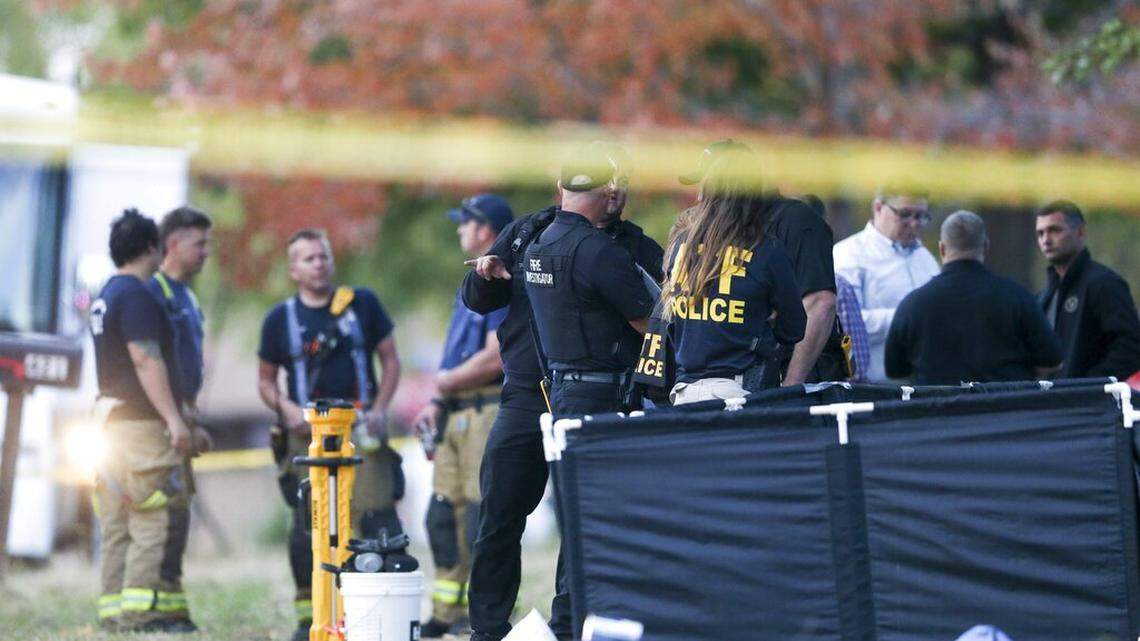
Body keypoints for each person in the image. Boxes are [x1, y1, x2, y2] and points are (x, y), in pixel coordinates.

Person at [461, 142, 663, 641]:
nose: (614, 195)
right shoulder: (531, 232)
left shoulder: (634, 248)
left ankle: (567, 626)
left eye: (620, 186)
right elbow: (474, 298)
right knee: (500, 513)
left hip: (599, 397)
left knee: (580, 522)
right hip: (528, 393)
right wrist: (488, 276)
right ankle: (487, 629)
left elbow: (657, 322)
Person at [256, 228, 403, 641]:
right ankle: (311, 617)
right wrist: (285, 410)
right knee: (310, 524)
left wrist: (379, 409)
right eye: (308, 259)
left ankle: (378, 608)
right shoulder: (279, 319)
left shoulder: (363, 305)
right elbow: (265, 380)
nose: (319, 264)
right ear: (293, 270)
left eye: (323, 256)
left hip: (361, 432)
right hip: (309, 437)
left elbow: (390, 361)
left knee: (377, 517)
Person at [89, 209, 210, 633]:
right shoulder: (138, 296)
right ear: (152, 248)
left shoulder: (106, 295)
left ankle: (113, 613)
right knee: (151, 517)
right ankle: (141, 614)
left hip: (111, 425)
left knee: (117, 522)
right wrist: (174, 420)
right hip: (141, 427)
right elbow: (145, 358)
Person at [412, 194, 512, 639]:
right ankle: (445, 611)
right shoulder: (469, 282)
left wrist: (446, 384)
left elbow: (497, 357)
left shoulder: (500, 281)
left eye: (465, 224)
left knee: (477, 517)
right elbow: (456, 359)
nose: (459, 231)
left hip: (485, 410)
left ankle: (480, 612)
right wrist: (437, 401)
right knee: (440, 517)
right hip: (454, 414)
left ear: (486, 230)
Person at [678, 140, 845, 384]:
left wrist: (791, 384)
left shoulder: (796, 221)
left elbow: (820, 304)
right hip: (745, 379)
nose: (701, 195)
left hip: (798, 377)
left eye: (709, 184)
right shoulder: (723, 232)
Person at [663, 150, 806, 404]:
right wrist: (760, 332)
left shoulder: (680, 246)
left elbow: (672, 323)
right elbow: (795, 327)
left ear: (706, 194)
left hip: (683, 391)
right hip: (738, 392)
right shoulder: (765, 249)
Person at [522, 145, 655, 416]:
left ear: (562, 188)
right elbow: (649, 324)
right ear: (608, 191)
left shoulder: (536, 245)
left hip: (561, 391)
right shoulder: (600, 250)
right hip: (603, 397)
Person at [885, 211, 1062, 384]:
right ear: (985, 246)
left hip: (938, 410)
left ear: (942, 248)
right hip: (1005, 409)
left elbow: (894, 370)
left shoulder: (912, 305)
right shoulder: (1018, 298)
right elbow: (1053, 361)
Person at [832, 186, 940, 382]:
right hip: (873, 389)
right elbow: (845, 326)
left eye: (921, 216)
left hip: (925, 386)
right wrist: (909, 317)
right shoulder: (848, 255)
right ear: (879, 208)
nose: (914, 224)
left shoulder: (926, 259)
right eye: (905, 214)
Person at [1035, 200, 1140, 380]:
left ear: (1081, 232)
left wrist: (1089, 387)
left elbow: (1131, 348)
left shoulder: (1104, 283)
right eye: (1040, 233)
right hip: (1049, 403)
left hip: (1088, 405)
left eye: (1055, 230)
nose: (1046, 239)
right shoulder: (1044, 296)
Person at [146, 206, 212, 417]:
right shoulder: (151, 292)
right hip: (159, 418)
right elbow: (144, 361)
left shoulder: (189, 297)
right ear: (173, 244)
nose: (205, 253)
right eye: (199, 244)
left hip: (184, 414)